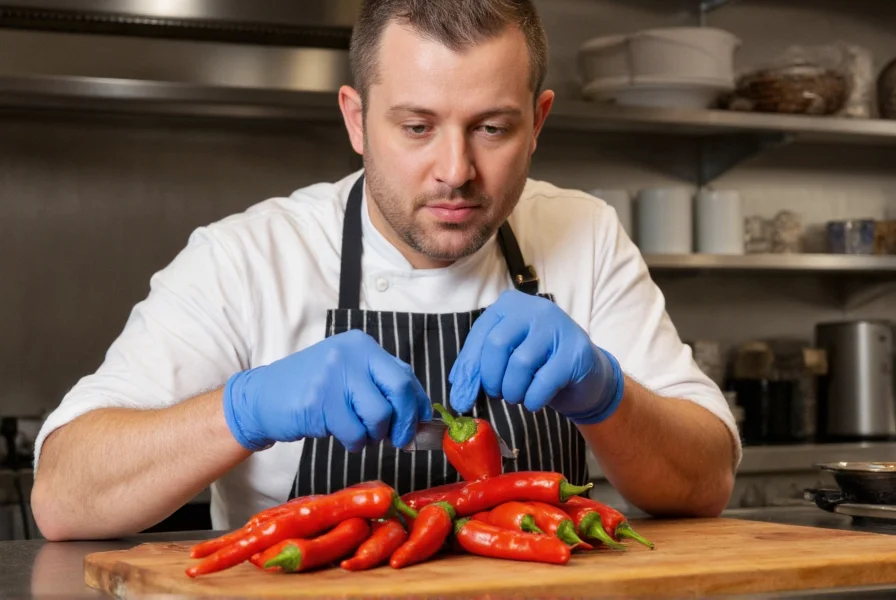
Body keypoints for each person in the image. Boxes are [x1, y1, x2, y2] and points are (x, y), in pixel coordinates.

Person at [31, 0, 739, 542]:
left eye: (492, 127)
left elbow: (707, 482)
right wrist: (244, 409)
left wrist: (604, 393)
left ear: (539, 121)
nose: (456, 171)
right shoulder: (247, 257)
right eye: (416, 127)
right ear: (356, 119)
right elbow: (62, 498)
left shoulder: (582, 234)